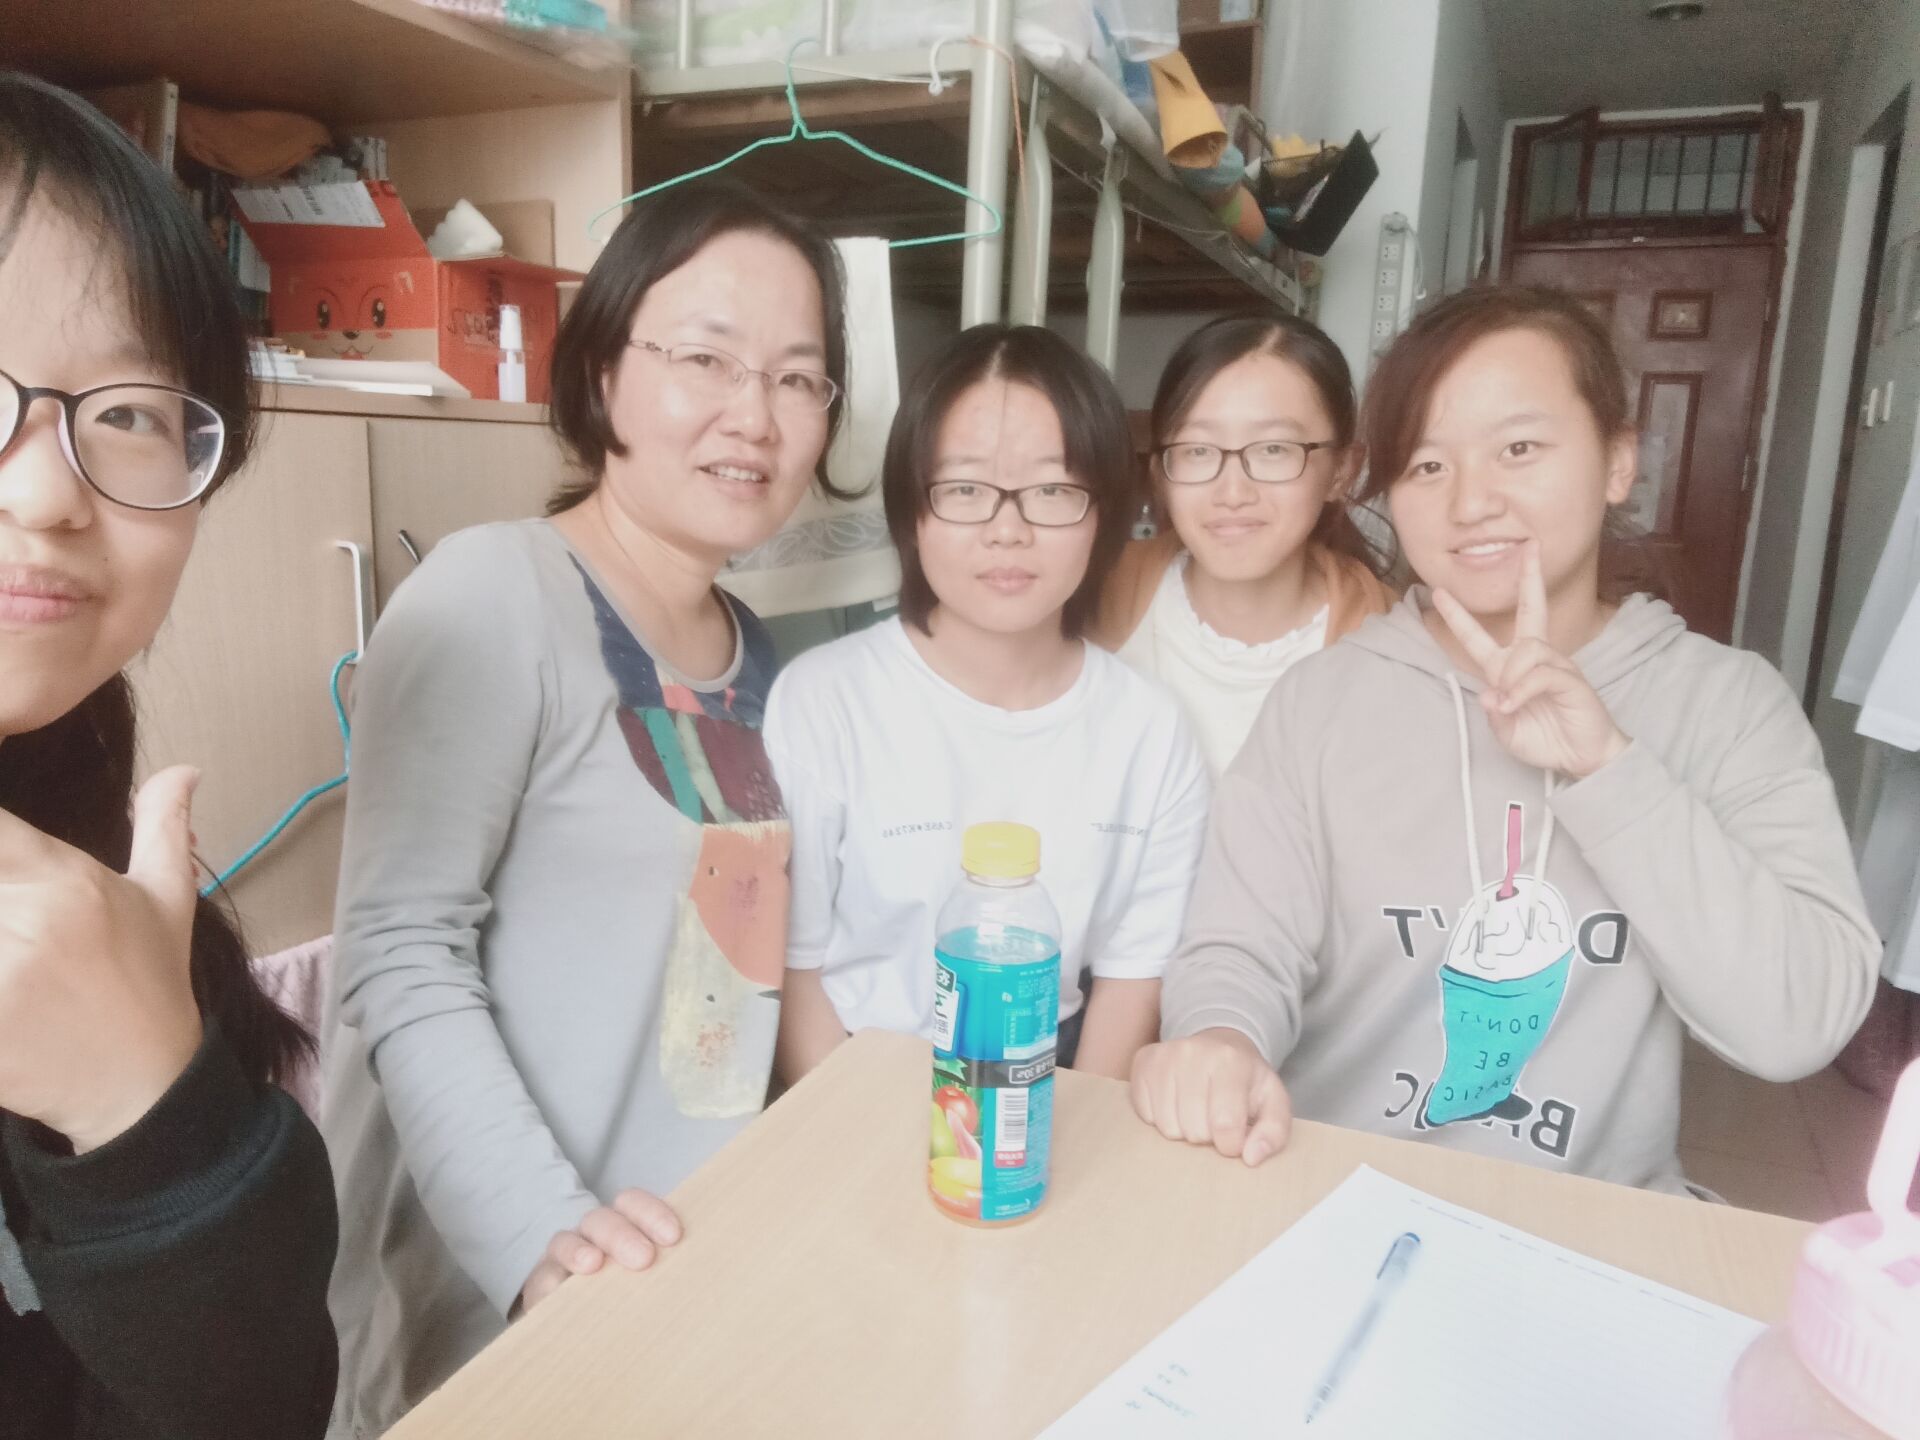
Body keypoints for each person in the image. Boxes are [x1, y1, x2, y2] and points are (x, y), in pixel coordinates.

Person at [1133, 285, 1881, 1188]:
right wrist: (1221, 1039)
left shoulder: (1726, 705)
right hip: (1330, 1189)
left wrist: (1610, 768)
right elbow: (1238, 947)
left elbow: (1799, 1024)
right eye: (1427, 465)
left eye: (1518, 449)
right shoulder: (1321, 700)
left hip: (1590, 1217)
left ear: (1618, 461)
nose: (1471, 502)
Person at [322, 181, 848, 1433]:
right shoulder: (493, 594)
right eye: (707, 359)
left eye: (797, 377)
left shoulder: (766, 658)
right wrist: (547, 1241)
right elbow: (399, 951)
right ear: (605, 373)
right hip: (512, 1296)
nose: (755, 414)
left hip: (685, 1285)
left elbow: (751, 980)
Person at [0, 72, 336, 1440]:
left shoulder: (102, 872)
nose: (45, 492)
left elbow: (264, 1399)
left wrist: (145, 1113)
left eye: (131, 412)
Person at [769, 324, 1209, 1086]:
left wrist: (1065, 1137)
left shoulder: (1151, 732)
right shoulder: (823, 700)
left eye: (1052, 492)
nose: (1008, 531)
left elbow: (1131, 980)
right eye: (965, 490)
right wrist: (853, 1136)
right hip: (848, 1077)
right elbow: (793, 970)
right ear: (912, 511)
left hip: (1051, 1084)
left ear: (1104, 513)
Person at [1093, 314, 1392, 775]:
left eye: (1274, 449)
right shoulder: (1087, 599)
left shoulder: (1395, 648)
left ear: (1342, 471)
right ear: (1160, 474)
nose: (1232, 493)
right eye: (1197, 450)